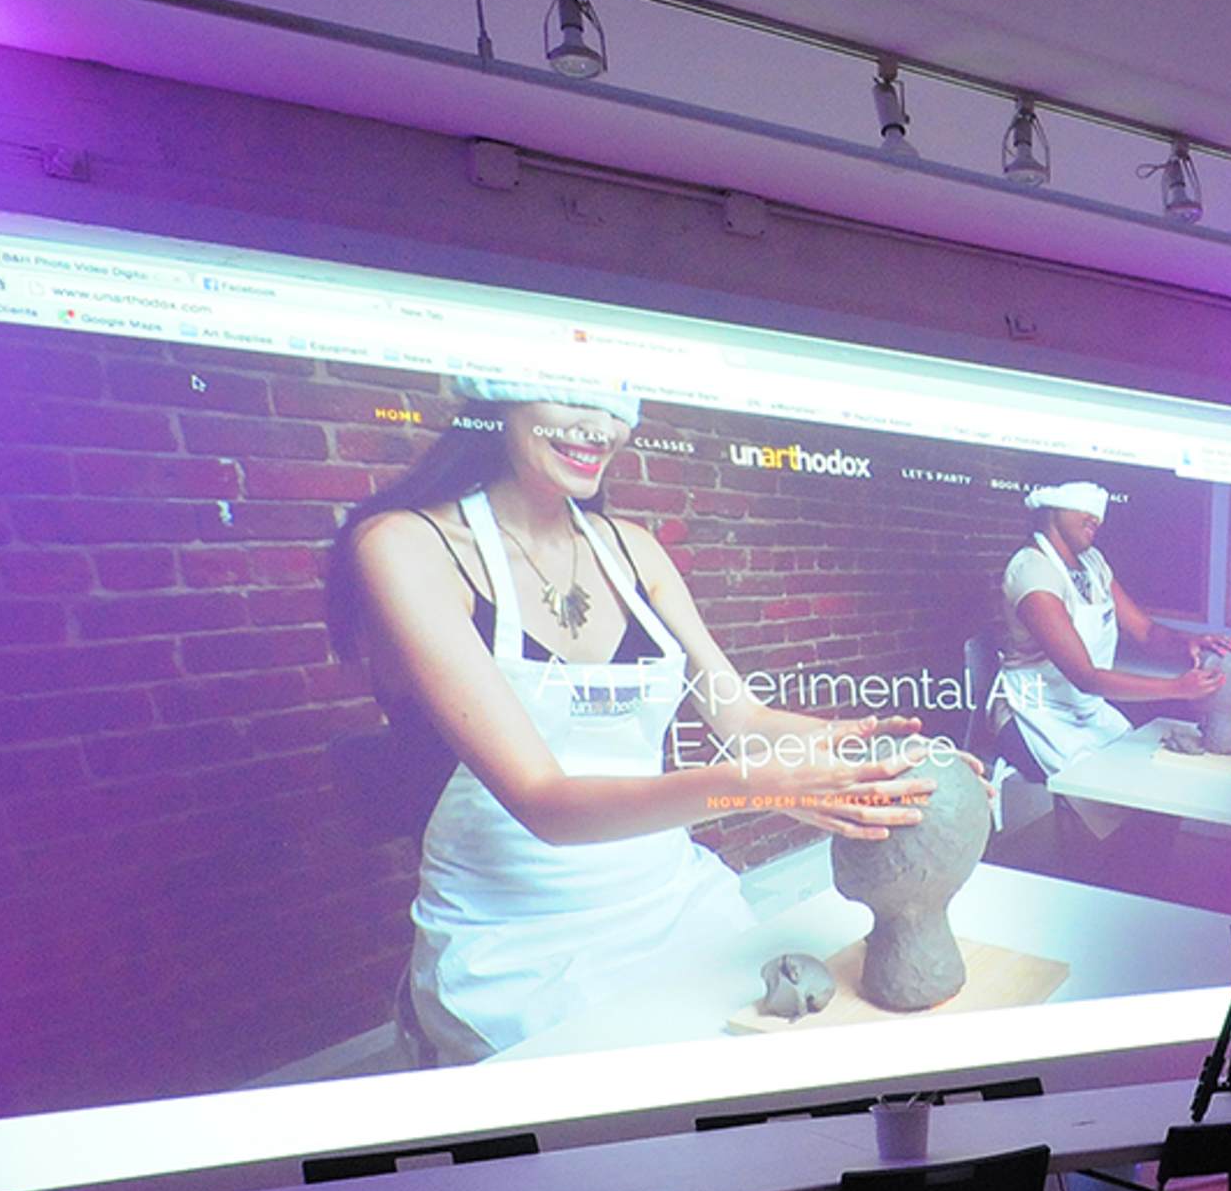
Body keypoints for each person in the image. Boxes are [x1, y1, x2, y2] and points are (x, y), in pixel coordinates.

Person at [330, 376, 957, 1063]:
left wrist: (888, 756)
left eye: (614, 405)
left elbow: (741, 717)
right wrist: (759, 786)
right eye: (569, 395)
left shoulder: (634, 550)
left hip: (676, 902)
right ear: (497, 394)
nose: (597, 425)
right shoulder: (405, 545)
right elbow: (546, 803)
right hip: (515, 945)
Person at [992, 481, 1231, 809]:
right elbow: (1085, 676)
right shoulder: (1033, 572)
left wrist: (1188, 641)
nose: (1095, 517)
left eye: (1098, 513)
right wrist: (1176, 688)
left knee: (1151, 784)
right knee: (1110, 796)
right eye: (1084, 508)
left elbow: (1145, 632)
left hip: (1087, 710)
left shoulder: (1094, 564)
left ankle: (1136, 858)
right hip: (1035, 715)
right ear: (1052, 509)